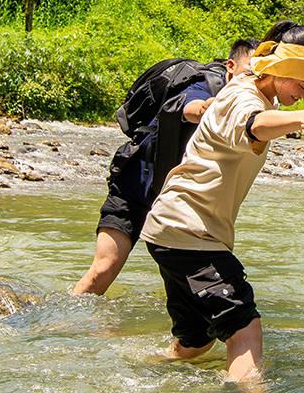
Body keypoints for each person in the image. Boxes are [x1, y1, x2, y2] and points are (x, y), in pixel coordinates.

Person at [141, 26, 304, 388]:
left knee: (196, 342)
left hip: (172, 229)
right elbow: (254, 125)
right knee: (244, 326)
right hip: (191, 232)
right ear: (272, 68)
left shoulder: (257, 97)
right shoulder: (241, 95)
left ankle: (135, 366)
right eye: (302, 86)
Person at [72, 39, 258, 296]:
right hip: (135, 187)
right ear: (231, 66)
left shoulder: (251, 101)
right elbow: (189, 106)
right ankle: (57, 329)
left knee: (185, 294)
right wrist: (210, 111)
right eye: (250, 69)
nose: (254, 77)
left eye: (261, 73)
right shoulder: (207, 85)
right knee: (102, 272)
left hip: (180, 201)